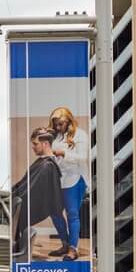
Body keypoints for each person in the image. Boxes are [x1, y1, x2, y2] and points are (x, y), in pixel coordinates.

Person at [12, 127, 66, 260]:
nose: (33, 147)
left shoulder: (47, 165)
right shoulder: (43, 163)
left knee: (57, 216)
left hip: (59, 193)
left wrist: (17, 197)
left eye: (35, 144)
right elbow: (27, 183)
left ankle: (67, 245)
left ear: (45, 144)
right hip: (36, 197)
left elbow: (33, 188)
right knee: (57, 216)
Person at [47, 106, 90, 261]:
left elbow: (82, 157)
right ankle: (65, 243)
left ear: (68, 120)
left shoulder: (80, 135)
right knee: (54, 212)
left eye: (61, 124)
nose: (58, 127)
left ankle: (73, 249)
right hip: (58, 179)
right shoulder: (56, 136)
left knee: (72, 214)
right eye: (56, 124)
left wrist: (64, 153)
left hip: (75, 178)